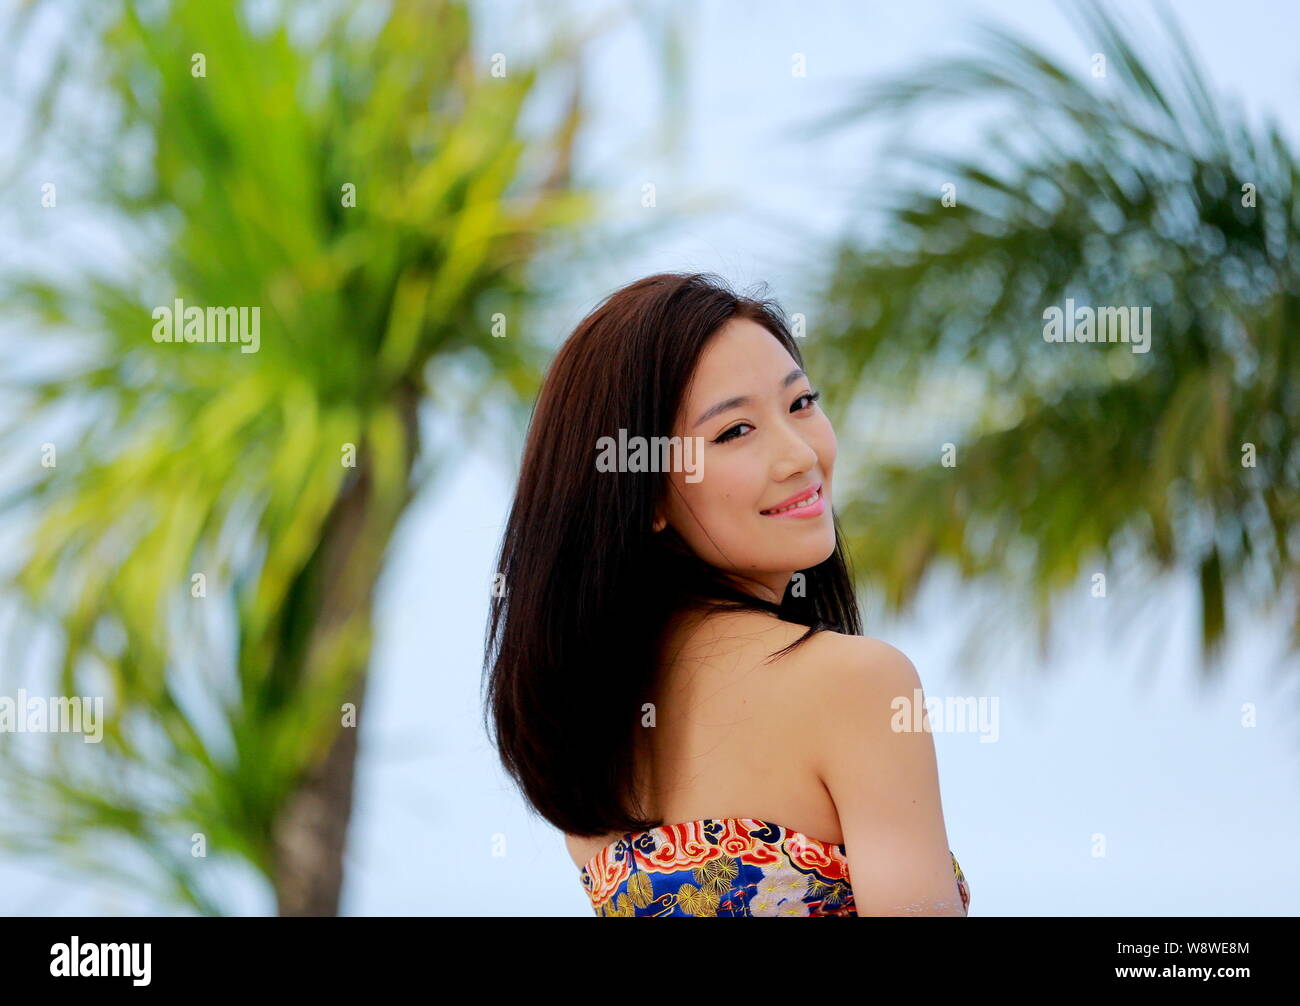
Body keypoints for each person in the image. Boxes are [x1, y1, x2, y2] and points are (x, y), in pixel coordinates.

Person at [484, 272, 970, 917]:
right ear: (646, 492)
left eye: (801, 404)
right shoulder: (857, 684)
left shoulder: (593, 735)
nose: (800, 454)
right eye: (735, 431)